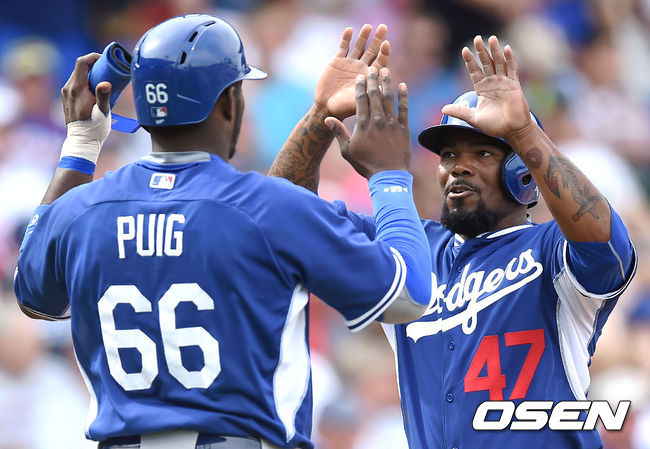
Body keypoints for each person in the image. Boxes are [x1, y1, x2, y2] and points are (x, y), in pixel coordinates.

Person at [13, 15, 433, 449]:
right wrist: (389, 175)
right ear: (230, 102)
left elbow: (34, 295)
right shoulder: (266, 207)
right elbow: (409, 295)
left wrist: (81, 142)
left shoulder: (82, 210)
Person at [270, 35, 637, 448]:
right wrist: (319, 116)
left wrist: (523, 133)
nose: (458, 168)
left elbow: (606, 242)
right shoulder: (408, 251)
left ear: (522, 171)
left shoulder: (552, 250)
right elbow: (277, 218)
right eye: (448, 156)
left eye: (482, 154)